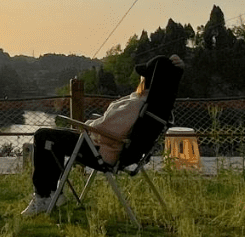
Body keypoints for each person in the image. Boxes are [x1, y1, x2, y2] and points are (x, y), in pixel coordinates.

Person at [20, 54, 185, 216]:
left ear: (148, 80)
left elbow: (109, 130)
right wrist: (177, 71)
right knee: (54, 140)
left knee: (43, 136)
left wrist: (88, 127)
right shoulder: (154, 105)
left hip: (101, 151)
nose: (140, 79)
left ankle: (43, 197)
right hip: (110, 148)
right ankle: (54, 195)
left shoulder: (137, 105)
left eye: (143, 76)